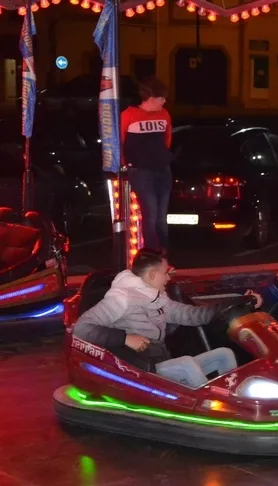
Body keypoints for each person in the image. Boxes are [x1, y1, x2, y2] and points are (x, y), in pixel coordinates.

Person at [72, 250, 263, 388]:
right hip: (140, 370)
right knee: (186, 364)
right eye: (165, 273)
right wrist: (125, 338)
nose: (168, 278)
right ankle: (213, 413)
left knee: (224, 354)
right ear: (152, 274)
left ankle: (235, 403)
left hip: (161, 362)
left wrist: (239, 302)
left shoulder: (158, 298)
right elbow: (81, 328)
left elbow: (194, 316)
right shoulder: (121, 299)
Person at [121, 76, 173, 252]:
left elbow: (167, 140)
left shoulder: (164, 114)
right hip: (141, 171)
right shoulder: (128, 115)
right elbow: (120, 142)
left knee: (161, 217)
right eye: (161, 98)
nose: (164, 101)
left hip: (163, 170)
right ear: (151, 99)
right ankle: (152, 256)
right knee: (150, 215)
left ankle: (163, 255)